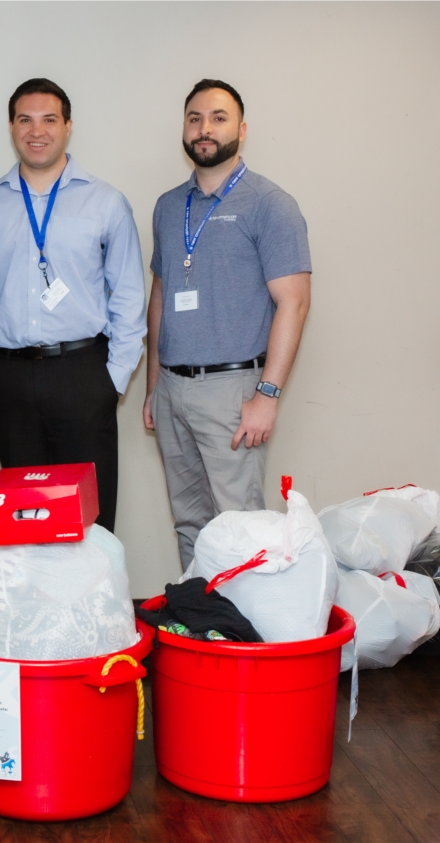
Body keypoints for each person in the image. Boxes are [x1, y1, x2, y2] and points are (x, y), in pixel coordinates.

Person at [0, 78, 146, 532]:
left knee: (90, 518)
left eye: (48, 119)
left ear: (67, 126)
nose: (36, 130)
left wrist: (113, 379)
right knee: (24, 515)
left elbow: (128, 296)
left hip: (82, 373)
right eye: (25, 119)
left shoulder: (106, 203)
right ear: (11, 127)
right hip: (8, 376)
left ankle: (93, 602)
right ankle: (32, 605)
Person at [144, 79, 312, 570]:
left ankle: (246, 637)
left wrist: (267, 396)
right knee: (189, 521)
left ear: (241, 129)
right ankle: (203, 626)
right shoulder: (169, 206)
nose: (204, 128)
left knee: (240, 527)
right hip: (173, 387)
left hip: (234, 390)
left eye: (218, 117)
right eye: (195, 117)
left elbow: (294, 304)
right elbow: (162, 294)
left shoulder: (271, 205)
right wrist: (154, 384)